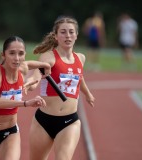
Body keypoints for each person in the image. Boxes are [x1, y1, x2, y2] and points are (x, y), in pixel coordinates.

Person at [0, 36, 51, 160]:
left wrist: (45, 65)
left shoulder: (22, 69)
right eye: (12, 53)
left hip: (9, 133)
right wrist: (25, 103)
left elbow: (30, 64)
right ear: (3, 55)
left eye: (21, 53)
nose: (17, 58)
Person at [27, 16, 95, 160]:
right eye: (63, 32)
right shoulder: (48, 57)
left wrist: (87, 93)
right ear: (56, 36)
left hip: (70, 121)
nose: (68, 35)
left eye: (71, 32)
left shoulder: (80, 58)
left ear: (76, 35)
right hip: (43, 121)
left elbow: (79, 77)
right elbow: (37, 75)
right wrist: (31, 84)